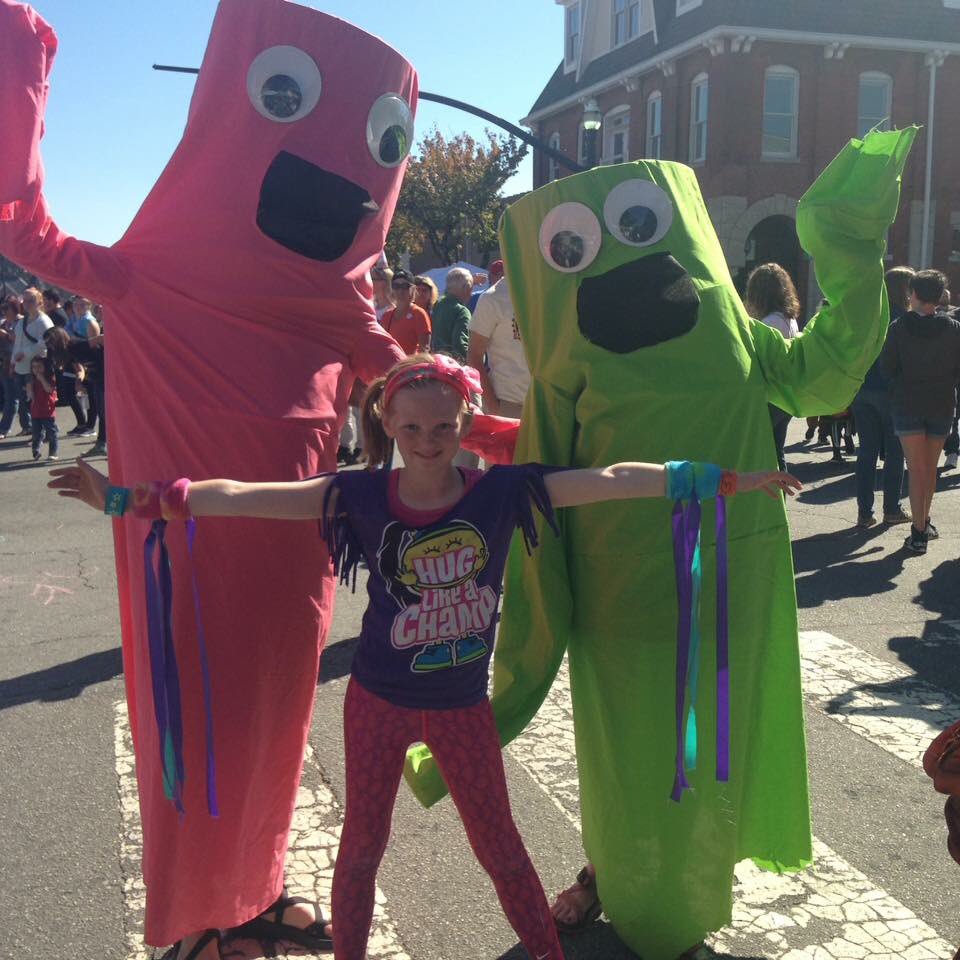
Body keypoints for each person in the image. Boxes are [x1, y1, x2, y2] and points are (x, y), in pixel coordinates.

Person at [48, 353, 798, 960]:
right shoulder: (361, 496)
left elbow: (605, 482)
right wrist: (127, 499)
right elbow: (244, 494)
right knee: (362, 848)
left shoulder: (503, 492)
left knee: (501, 848)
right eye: (413, 426)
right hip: (376, 700)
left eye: (443, 425)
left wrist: (714, 481)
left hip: (459, 708)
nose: (429, 440)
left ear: (466, 422)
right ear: (387, 423)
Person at [880, 269, 960, 554]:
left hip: (908, 403)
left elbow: (887, 368)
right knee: (930, 468)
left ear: (913, 294)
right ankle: (923, 523)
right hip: (941, 404)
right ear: (939, 297)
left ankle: (919, 532)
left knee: (916, 470)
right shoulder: (953, 329)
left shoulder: (899, 328)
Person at [851, 266, 912, 527]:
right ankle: (891, 508)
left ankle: (865, 512)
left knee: (867, 452)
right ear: (905, 291)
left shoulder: (870, 316)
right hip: (891, 392)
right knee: (895, 453)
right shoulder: (904, 320)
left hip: (863, 389)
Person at [744, 263, 801, 471]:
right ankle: (780, 500)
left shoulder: (767, 323)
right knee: (777, 451)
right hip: (784, 395)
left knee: (766, 455)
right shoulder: (789, 319)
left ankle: (774, 500)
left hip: (769, 395)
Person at [467, 267, 529, 418]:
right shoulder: (493, 297)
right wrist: (493, 406)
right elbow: (474, 356)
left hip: (549, 404)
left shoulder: (551, 290)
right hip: (510, 404)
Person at [9, 287, 54, 437]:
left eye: (31, 300)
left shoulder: (44, 321)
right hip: (21, 367)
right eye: (25, 300)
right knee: (26, 401)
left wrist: (26, 353)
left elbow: (45, 343)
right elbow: (17, 343)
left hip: (38, 368)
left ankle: (48, 433)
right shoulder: (22, 322)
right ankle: (35, 432)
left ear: (39, 302)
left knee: (41, 402)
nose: (27, 303)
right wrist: (12, 362)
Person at [379, 269, 431, 355]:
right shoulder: (386, 316)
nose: (400, 291)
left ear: (413, 289)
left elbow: (424, 351)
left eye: (405, 286)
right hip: (391, 366)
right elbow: (381, 347)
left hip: (411, 366)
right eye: (396, 286)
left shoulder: (419, 314)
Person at [430, 267, 473, 362]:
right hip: (453, 367)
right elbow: (460, 345)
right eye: (471, 288)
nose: (471, 294)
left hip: (436, 362)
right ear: (466, 287)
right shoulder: (462, 311)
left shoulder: (438, 304)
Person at [27, 353, 58, 460]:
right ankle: (36, 451)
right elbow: (30, 397)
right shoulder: (32, 380)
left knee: (51, 433)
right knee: (36, 434)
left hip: (48, 410)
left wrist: (42, 379)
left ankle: (53, 453)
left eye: (39, 366)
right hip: (36, 411)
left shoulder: (50, 378)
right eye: (34, 367)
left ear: (45, 367)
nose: (36, 370)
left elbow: (49, 389)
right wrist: (29, 390)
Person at [0, 295, 21, 439]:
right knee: (11, 395)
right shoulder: (3, 323)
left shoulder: (21, 321)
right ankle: (28, 425)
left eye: (6, 308)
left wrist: (6, 335)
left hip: (18, 362)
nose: (3, 311)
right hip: (5, 362)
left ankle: (4, 428)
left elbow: (19, 339)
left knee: (14, 397)